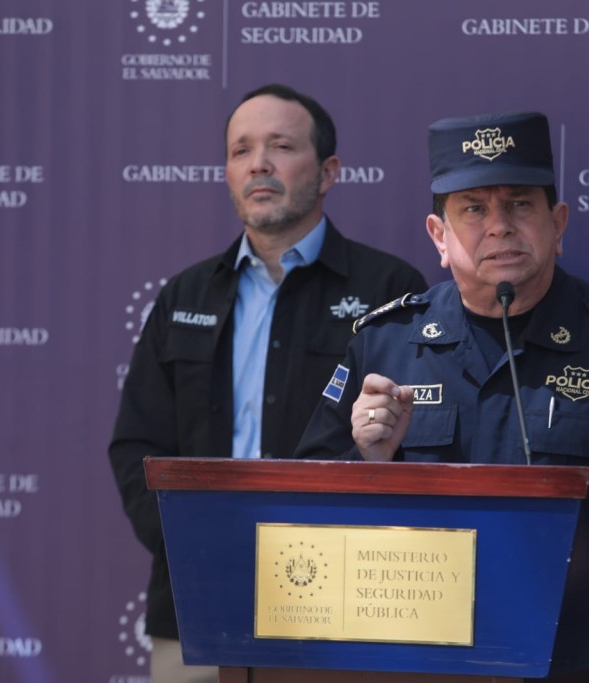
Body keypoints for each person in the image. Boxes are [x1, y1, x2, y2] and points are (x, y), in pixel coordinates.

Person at [295, 111, 589, 682]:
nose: (499, 226)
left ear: (558, 222)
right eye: (473, 208)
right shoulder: (383, 346)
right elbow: (301, 513)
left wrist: (578, 587)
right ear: (439, 236)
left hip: (578, 661)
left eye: (520, 204)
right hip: (416, 664)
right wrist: (367, 463)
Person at [108, 84, 427, 683]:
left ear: (328, 171)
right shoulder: (183, 297)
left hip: (343, 604)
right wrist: (187, 541)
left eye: (281, 146)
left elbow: (417, 447)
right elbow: (135, 445)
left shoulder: (390, 290)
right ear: (228, 172)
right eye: (241, 150)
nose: (258, 163)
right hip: (197, 600)